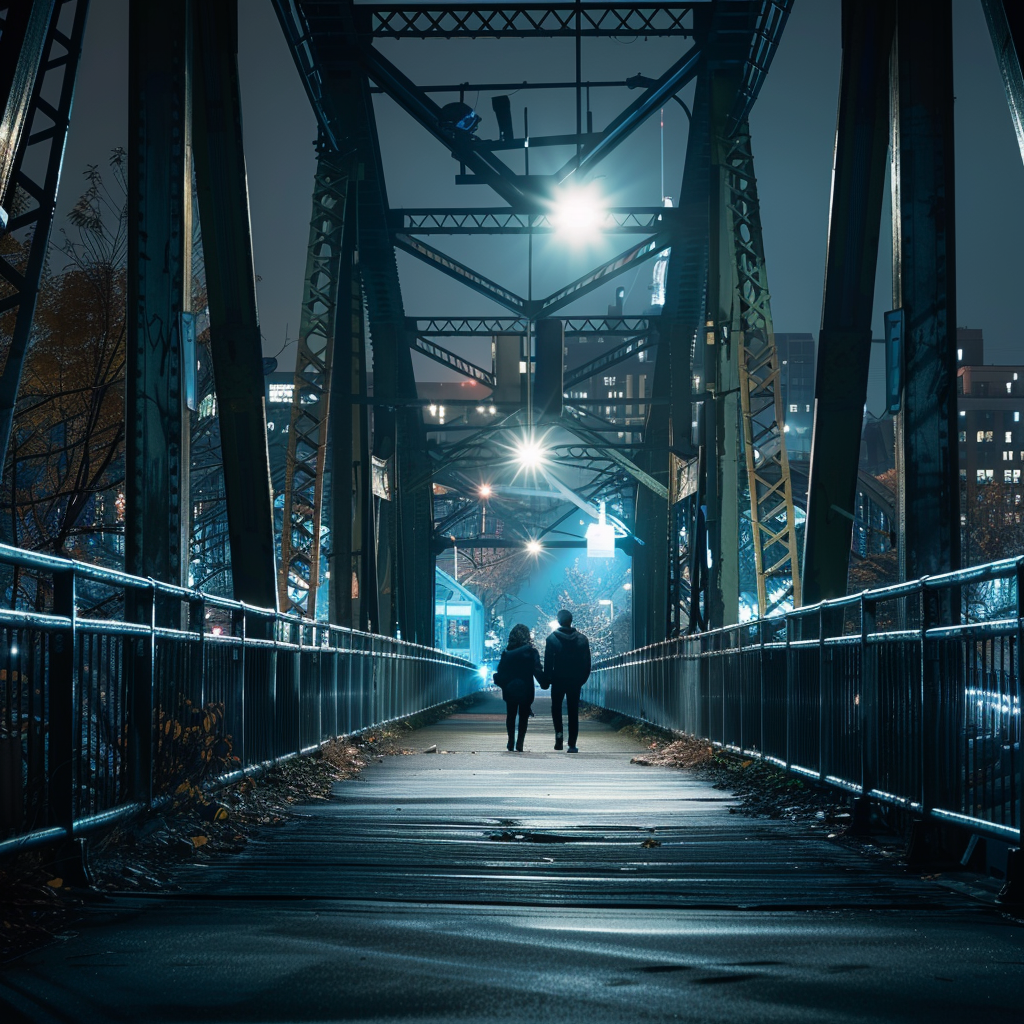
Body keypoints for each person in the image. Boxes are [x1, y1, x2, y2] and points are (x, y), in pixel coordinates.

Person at [544, 609, 591, 752]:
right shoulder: (582, 639)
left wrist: (548, 679)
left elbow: (548, 663)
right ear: (571, 621)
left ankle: (559, 738)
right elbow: (587, 663)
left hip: (558, 680)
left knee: (556, 709)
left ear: (558, 621)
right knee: (573, 710)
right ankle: (572, 743)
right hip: (575, 680)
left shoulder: (551, 639)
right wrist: (581, 679)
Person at [493, 623, 544, 751]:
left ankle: (510, 741)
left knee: (511, 714)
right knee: (523, 715)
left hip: (510, 688)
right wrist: (545, 682)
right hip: (526, 689)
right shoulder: (531, 652)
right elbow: (537, 670)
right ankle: (520, 742)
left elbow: (501, 670)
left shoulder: (507, 652)